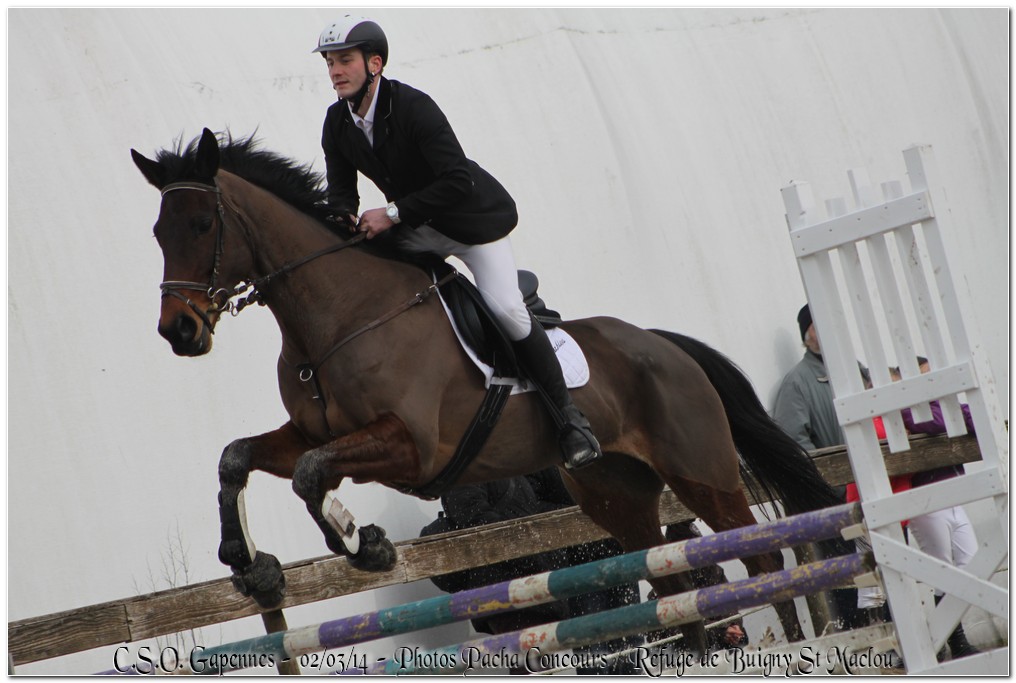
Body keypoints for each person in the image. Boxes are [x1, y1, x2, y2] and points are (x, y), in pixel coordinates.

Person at [311, 16, 600, 470]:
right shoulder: (336, 123)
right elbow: (342, 194)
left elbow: (457, 181)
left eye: (344, 60)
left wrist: (390, 214)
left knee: (505, 308)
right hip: (417, 229)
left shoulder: (414, 107)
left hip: (471, 223)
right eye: (330, 63)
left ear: (375, 63)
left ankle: (569, 418)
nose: (335, 71)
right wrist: (343, 220)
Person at [899, 358, 981, 660]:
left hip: (951, 494)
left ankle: (944, 635)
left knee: (972, 566)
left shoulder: (939, 404)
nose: (930, 383)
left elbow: (971, 416)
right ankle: (953, 640)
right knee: (942, 572)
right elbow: (928, 421)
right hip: (925, 498)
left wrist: (949, 411)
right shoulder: (907, 406)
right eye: (924, 377)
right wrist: (951, 413)